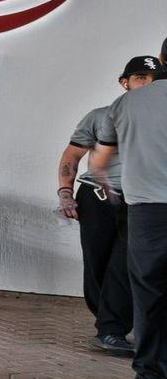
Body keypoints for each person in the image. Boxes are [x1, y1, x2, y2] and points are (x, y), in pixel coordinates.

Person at [60, 60, 157, 355]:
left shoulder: (159, 119)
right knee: (97, 265)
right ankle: (107, 321)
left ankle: (112, 329)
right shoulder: (101, 115)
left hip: (139, 201)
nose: (146, 83)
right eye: (140, 77)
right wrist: (65, 192)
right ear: (124, 82)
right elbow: (72, 156)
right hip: (95, 199)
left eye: (153, 78)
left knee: (124, 265)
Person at [90, 55, 167, 379]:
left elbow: (99, 162)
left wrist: (110, 191)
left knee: (149, 291)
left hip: (147, 209)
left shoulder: (125, 104)